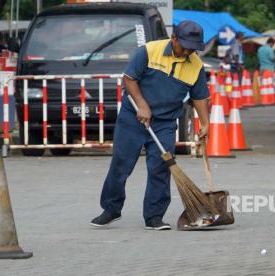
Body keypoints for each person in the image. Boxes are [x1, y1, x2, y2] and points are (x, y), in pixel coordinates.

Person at [90, 20, 210, 230]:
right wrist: (142, 105)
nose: (188, 51)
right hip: (133, 117)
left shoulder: (196, 66)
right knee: (121, 164)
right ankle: (111, 209)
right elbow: (129, 79)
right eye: (185, 46)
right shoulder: (149, 51)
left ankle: (154, 216)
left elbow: (199, 97)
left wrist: (205, 123)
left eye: (193, 48)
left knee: (161, 167)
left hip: (165, 122)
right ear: (173, 39)